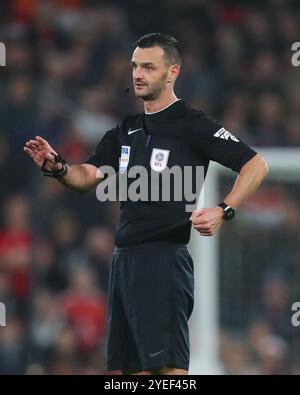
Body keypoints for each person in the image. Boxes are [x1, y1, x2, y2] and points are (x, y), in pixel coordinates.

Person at [24, 33, 268, 375]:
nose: (138, 73)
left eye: (149, 67)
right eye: (135, 66)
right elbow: (87, 176)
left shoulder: (192, 123)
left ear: (172, 73)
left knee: (168, 373)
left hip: (164, 261)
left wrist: (224, 209)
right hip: (124, 263)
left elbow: (255, 165)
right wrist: (59, 167)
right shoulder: (124, 130)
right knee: (124, 374)